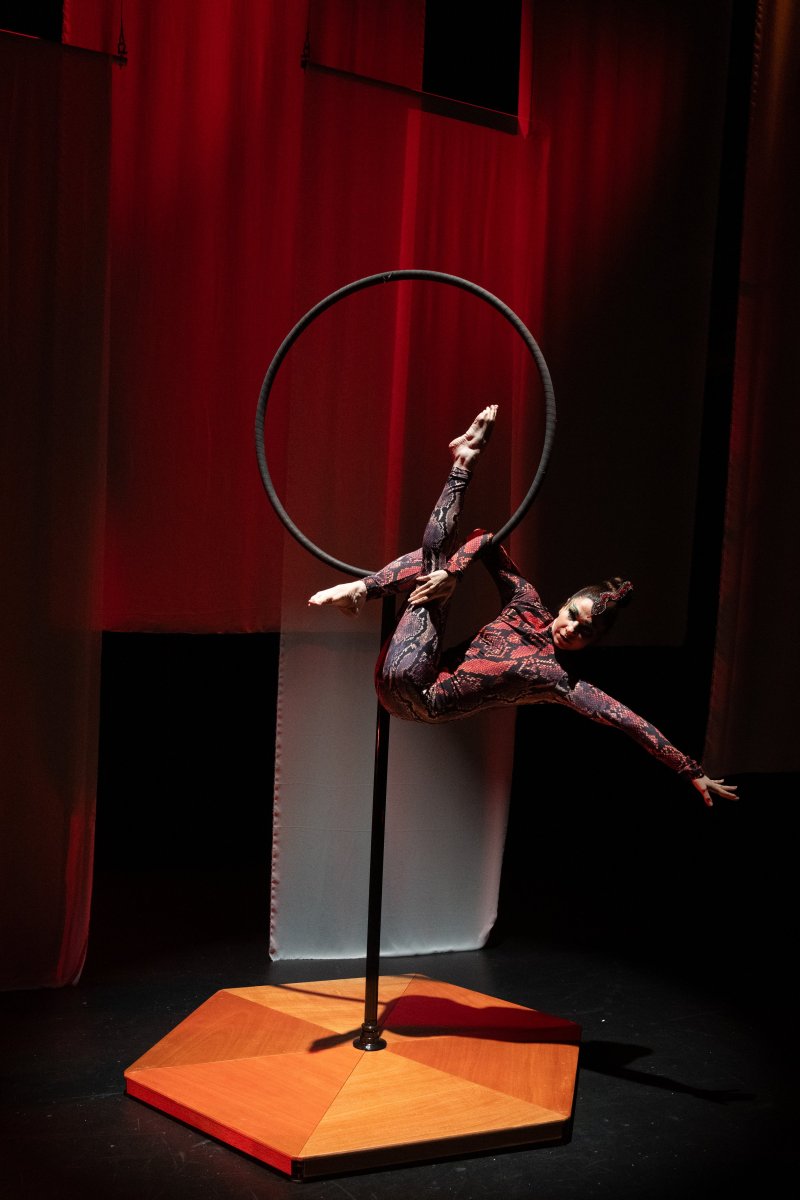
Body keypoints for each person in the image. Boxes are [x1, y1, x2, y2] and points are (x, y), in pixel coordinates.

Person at [309, 407, 737, 807]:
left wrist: (690, 770)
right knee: (437, 567)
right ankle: (367, 587)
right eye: (573, 616)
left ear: (592, 643)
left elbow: (627, 721)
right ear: (565, 603)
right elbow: (484, 539)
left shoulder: (561, 682)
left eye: (585, 632)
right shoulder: (525, 602)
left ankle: (461, 464)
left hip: (418, 697)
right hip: (404, 665)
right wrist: (456, 574)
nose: (571, 629)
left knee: (435, 566)